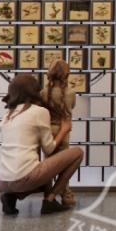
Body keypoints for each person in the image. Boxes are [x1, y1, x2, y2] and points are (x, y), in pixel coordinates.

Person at [0, 74, 83, 216]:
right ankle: (50, 200)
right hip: (24, 179)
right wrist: (64, 129)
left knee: (42, 168)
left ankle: (11, 196)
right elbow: (49, 148)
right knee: (78, 152)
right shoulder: (39, 112)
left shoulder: (7, 115)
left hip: (3, 181)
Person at [41, 60, 79, 207]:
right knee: (64, 164)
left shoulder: (43, 93)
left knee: (48, 164)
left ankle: (47, 194)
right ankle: (66, 194)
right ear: (66, 75)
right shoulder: (71, 93)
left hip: (48, 130)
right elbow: (72, 107)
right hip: (64, 130)